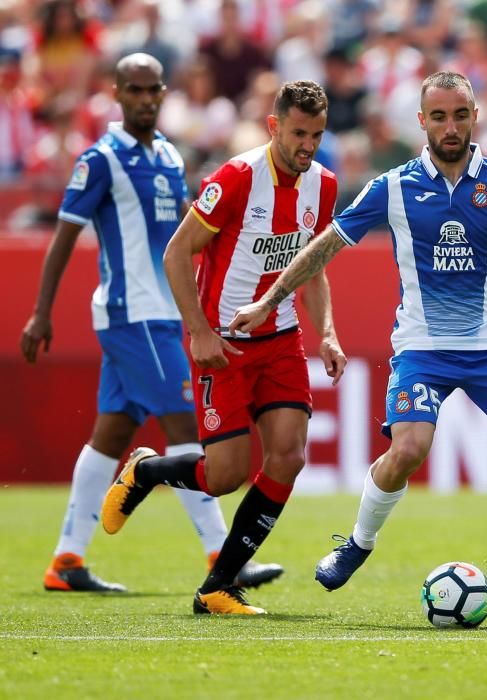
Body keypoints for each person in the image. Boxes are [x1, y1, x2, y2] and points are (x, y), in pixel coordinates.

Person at [230, 71, 487, 619]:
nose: (450, 126)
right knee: (408, 450)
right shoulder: (393, 186)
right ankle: (358, 544)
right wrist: (269, 300)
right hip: (422, 348)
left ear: (474, 116)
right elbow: (327, 246)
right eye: (439, 116)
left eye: (460, 115)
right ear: (422, 122)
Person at [20, 53, 283, 594]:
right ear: (116, 93)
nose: (144, 99)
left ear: (164, 92)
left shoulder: (167, 155)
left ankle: (66, 560)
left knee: (111, 433)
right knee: (190, 429)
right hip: (132, 313)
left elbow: (192, 235)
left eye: (152, 90)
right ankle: (223, 558)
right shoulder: (102, 160)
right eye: (134, 90)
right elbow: (66, 233)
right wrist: (42, 311)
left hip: (165, 314)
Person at [100, 80, 344, 615]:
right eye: (299, 133)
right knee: (226, 475)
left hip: (279, 338)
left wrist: (325, 331)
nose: (308, 145)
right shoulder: (236, 178)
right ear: (274, 125)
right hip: (223, 346)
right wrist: (198, 330)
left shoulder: (323, 185)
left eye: (317, 135)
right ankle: (146, 470)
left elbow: (313, 268)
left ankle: (218, 585)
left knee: (289, 455)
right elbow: (177, 252)